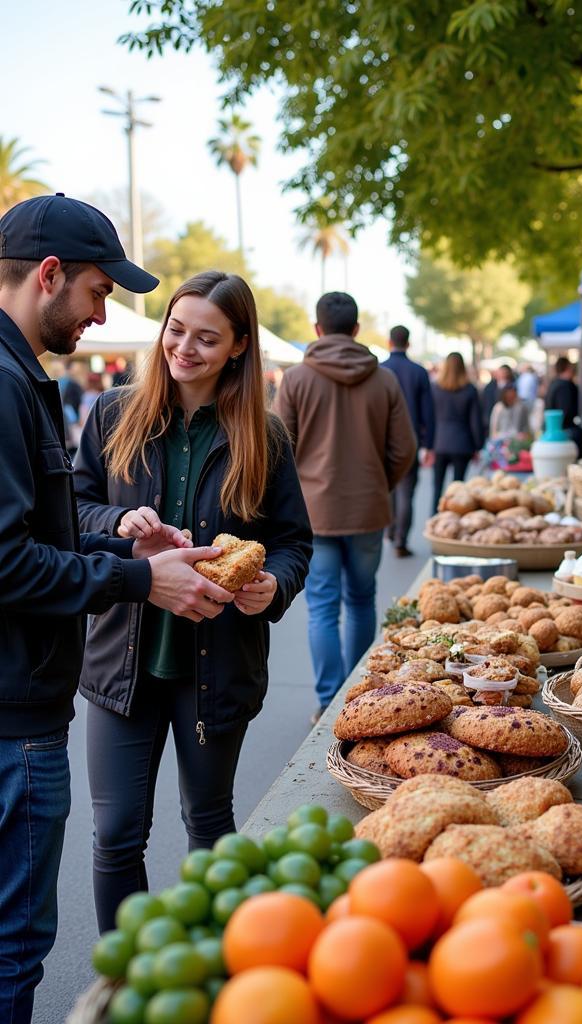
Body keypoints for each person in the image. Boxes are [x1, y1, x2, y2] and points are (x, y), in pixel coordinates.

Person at [0, 194, 233, 1023]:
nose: (104, 314)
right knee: (15, 948)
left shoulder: (24, 379)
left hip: (55, 694)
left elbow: (41, 531)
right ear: (51, 276)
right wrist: (142, 578)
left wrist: (120, 551)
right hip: (27, 707)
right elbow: (9, 558)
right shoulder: (19, 385)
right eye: (99, 292)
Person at [74, 271, 313, 931]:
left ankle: (215, 971)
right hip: (121, 660)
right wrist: (117, 529)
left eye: (207, 338)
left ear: (239, 345)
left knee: (209, 824)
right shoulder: (112, 413)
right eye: (177, 330)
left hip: (218, 662)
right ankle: (124, 981)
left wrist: (272, 587)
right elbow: (72, 509)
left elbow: (292, 541)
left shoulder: (264, 435)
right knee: (117, 832)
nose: (185, 348)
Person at [274, 292, 416, 717]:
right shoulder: (384, 379)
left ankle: (328, 702)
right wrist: (379, 484)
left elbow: (279, 448)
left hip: (315, 513)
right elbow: (404, 448)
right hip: (369, 509)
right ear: (356, 330)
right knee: (361, 600)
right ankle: (364, 697)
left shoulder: (297, 379)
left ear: (317, 329)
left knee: (321, 606)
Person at [381, 324, 435, 558]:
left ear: (389, 342)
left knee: (388, 490)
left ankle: (390, 530)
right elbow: (428, 412)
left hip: (381, 442)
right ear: (409, 343)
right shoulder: (419, 372)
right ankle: (400, 539)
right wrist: (429, 444)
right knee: (406, 493)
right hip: (409, 440)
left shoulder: (379, 370)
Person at [432, 351, 484, 510]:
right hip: (463, 443)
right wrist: (478, 446)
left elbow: (430, 418)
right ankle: (452, 520)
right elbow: (475, 421)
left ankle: (435, 520)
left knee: (437, 488)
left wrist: (427, 444)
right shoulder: (469, 390)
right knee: (458, 489)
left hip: (439, 442)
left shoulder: (435, 388)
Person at [545, 356, 582, 452]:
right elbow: (565, 409)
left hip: (557, 428)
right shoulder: (564, 386)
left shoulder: (554, 383)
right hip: (564, 428)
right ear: (568, 367)